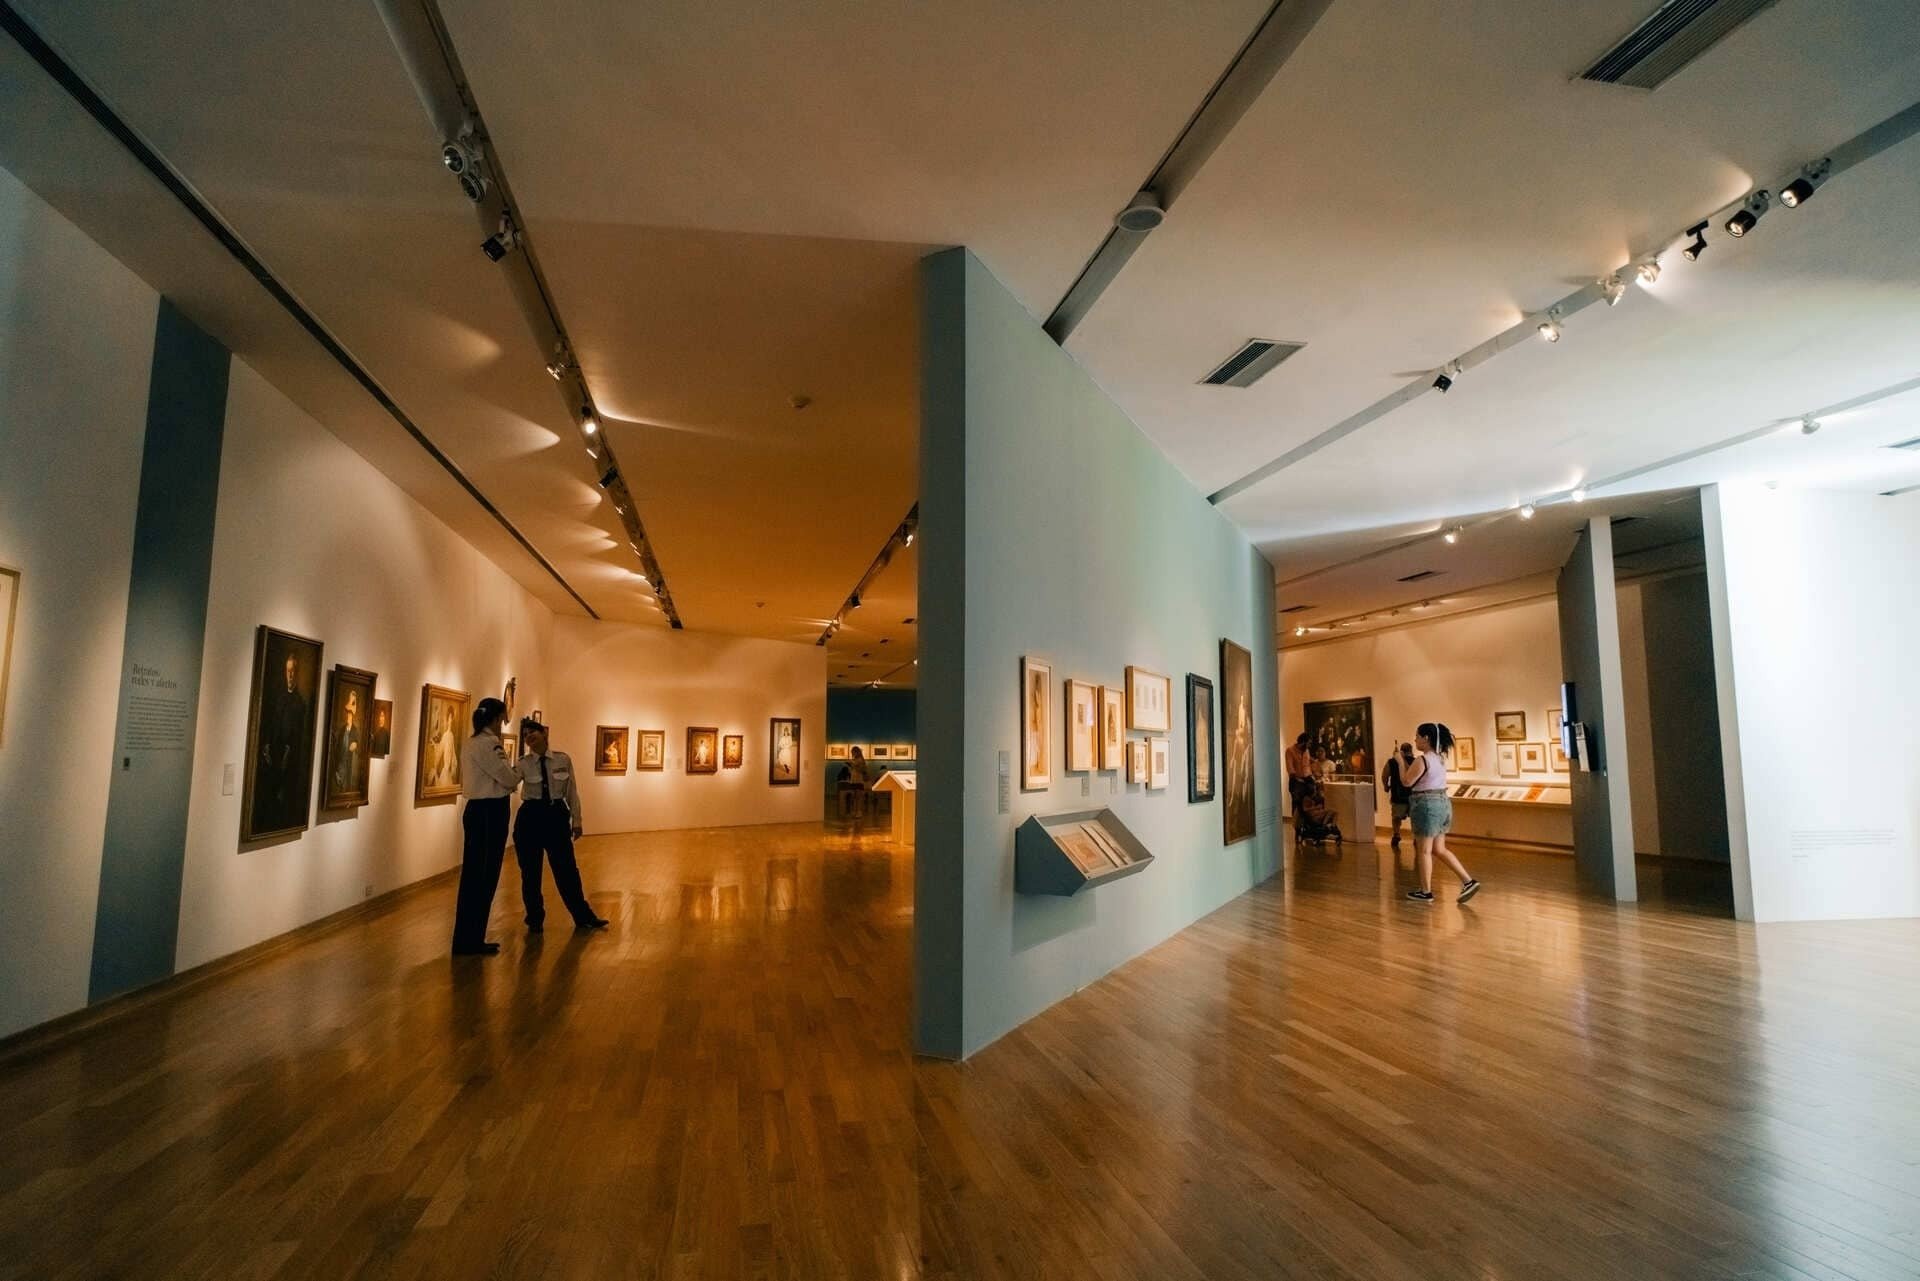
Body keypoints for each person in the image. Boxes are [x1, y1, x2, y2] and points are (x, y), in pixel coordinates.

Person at [512, 719, 608, 934]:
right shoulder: (522, 763)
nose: (529, 737)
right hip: (530, 817)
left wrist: (577, 820)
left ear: (544, 734)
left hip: (555, 815)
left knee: (567, 870)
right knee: (530, 872)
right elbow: (509, 782)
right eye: (526, 734)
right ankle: (534, 919)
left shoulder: (563, 760)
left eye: (533, 732)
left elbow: (572, 791)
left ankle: (582, 916)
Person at [451, 697, 521, 955]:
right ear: (495, 719)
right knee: (485, 875)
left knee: (473, 875)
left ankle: (466, 937)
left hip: (476, 811)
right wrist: (518, 774)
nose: (502, 725)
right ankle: (471, 939)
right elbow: (506, 777)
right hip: (490, 812)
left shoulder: (471, 743)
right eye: (502, 719)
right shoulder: (490, 745)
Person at [1400, 721, 1480, 904]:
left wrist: (1399, 761)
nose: (1415, 739)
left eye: (1417, 736)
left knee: (1424, 850)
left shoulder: (1423, 759)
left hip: (1427, 804)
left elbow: (1406, 781)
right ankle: (1468, 881)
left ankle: (1425, 892)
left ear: (1426, 738)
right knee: (1439, 849)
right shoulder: (1440, 758)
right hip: (1443, 803)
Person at [1381, 742, 1414, 849]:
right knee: (1414, 817)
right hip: (1414, 795)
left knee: (1396, 818)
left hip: (1398, 794)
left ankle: (1396, 834)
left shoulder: (1392, 762)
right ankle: (1416, 837)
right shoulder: (1416, 761)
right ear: (1411, 750)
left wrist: (1386, 786)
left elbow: (1385, 774)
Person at [1285, 732, 1314, 811]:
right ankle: (1296, 822)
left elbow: (1307, 764)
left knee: (1308, 805)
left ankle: (1305, 823)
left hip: (1308, 780)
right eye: (1309, 743)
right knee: (1297, 805)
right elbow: (1290, 767)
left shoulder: (1306, 751)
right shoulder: (1290, 751)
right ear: (1303, 742)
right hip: (1296, 782)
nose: (1309, 745)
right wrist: (1297, 779)